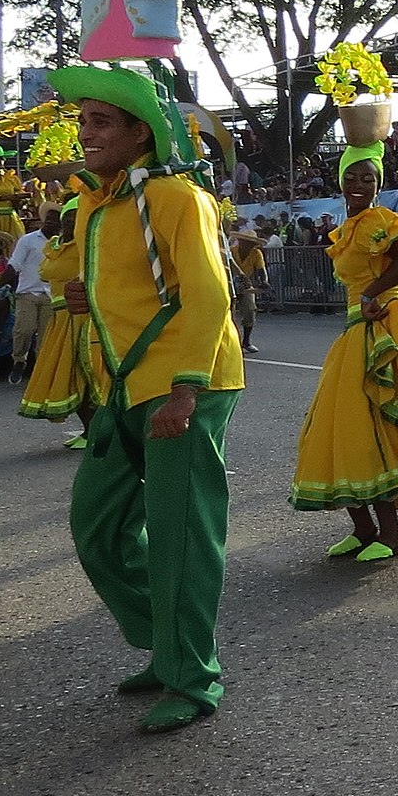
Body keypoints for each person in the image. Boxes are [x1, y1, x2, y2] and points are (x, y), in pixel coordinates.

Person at [51, 64, 246, 732]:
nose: (87, 133)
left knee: (180, 538)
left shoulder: (175, 196)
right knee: (97, 529)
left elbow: (210, 293)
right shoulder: (94, 205)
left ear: (141, 133)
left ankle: (191, 677)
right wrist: (83, 295)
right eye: (83, 121)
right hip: (122, 387)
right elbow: (125, 287)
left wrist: (186, 389)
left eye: (102, 121)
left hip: (184, 386)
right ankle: (168, 642)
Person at [291, 142, 398, 557]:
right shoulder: (349, 227)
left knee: (374, 428)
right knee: (338, 426)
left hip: (381, 331)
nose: (358, 184)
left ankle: (391, 534)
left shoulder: (380, 220)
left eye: (368, 178)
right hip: (355, 332)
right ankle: (364, 528)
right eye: (350, 177)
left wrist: (372, 291)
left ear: (378, 185)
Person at [20, 193, 100, 449]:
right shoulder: (54, 246)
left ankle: (95, 432)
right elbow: (47, 273)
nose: (69, 222)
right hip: (60, 318)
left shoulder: (86, 245)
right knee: (67, 375)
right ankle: (89, 431)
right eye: (67, 217)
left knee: (82, 375)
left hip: (81, 317)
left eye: (76, 217)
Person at [7, 213, 53, 381]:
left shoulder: (62, 243)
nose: (52, 223)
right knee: (24, 330)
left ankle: (41, 370)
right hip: (27, 293)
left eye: (56, 220)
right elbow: (15, 264)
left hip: (50, 295)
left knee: (46, 336)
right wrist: (1, 285)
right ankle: (19, 359)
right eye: (49, 220)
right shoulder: (28, 240)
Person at [227, 219, 264, 354]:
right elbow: (229, 266)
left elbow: (261, 270)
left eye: (251, 244)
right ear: (240, 241)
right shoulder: (232, 251)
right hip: (229, 282)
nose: (248, 245)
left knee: (249, 310)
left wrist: (264, 281)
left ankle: (246, 341)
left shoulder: (256, 253)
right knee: (228, 312)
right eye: (245, 242)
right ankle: (230, 340)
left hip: (246, 284)